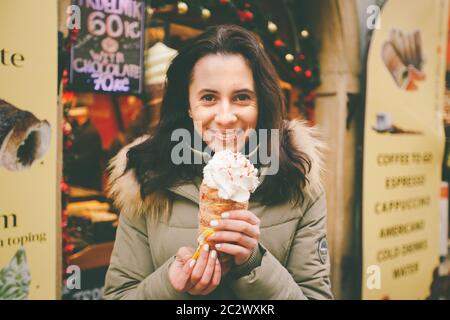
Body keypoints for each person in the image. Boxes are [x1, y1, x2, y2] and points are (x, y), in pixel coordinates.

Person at [103, 25, 333, 300]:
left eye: (242, 97)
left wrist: (253, 263)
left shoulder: (298, 179)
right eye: (208, 98)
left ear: (261, 103)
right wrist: (169, 285)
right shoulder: (146, 177)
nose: (225, 117)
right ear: (188, 105)